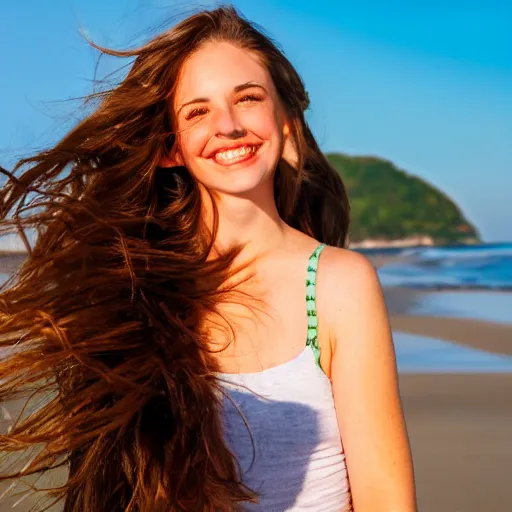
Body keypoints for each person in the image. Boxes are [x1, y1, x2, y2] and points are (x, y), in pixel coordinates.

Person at [0, 6, 416, 511]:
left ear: (286, 123)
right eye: (198, 111)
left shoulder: (337, 284)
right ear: (170, 148)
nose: (229, 125)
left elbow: (386, 499)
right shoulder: (132, 292)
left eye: (248, 99)